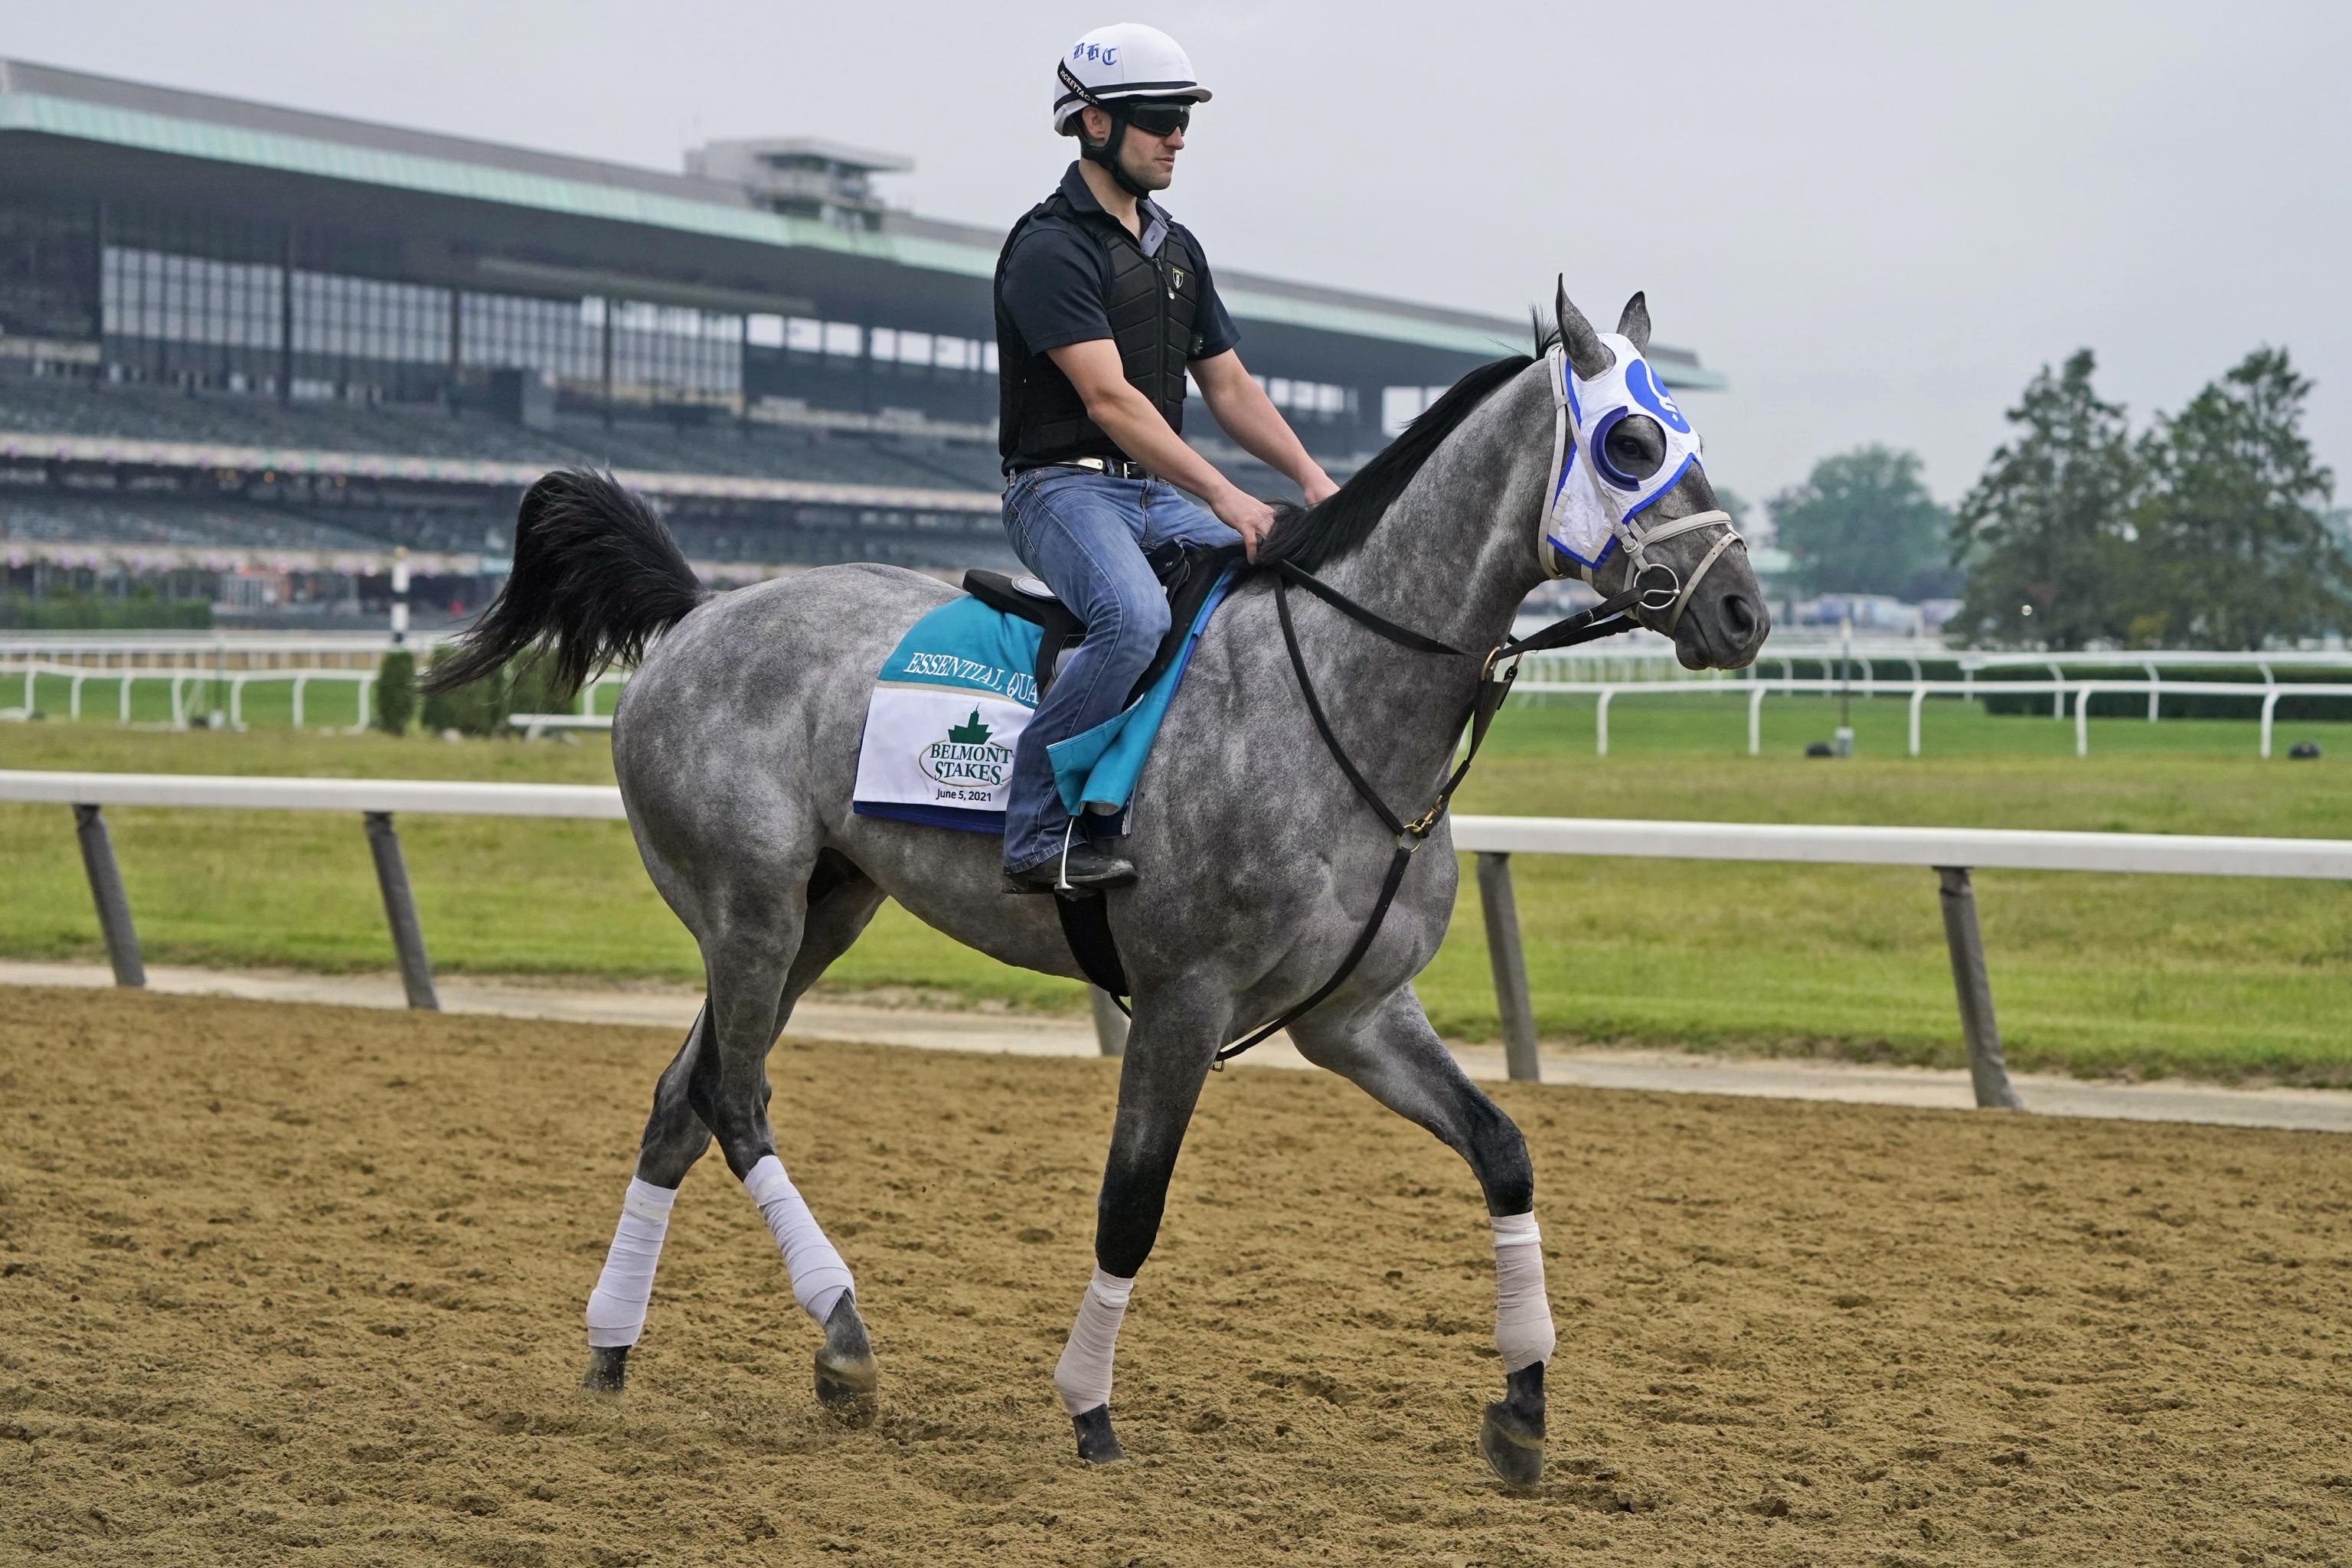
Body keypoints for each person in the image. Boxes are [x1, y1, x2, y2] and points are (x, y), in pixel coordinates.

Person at [994, 22, 1341, 893]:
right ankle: (1036, 827)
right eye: (1158, 116)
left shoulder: (1177, 249)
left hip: (1154, 491)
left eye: (1184, 116)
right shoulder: (1047, 248)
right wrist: (1227, 496)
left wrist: (1310, 478)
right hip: (1058, 492)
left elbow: (1230, 389)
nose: (1177, 135)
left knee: (1281, 587)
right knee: (1135, 618)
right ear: (1094, 124)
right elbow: (1110, 402)